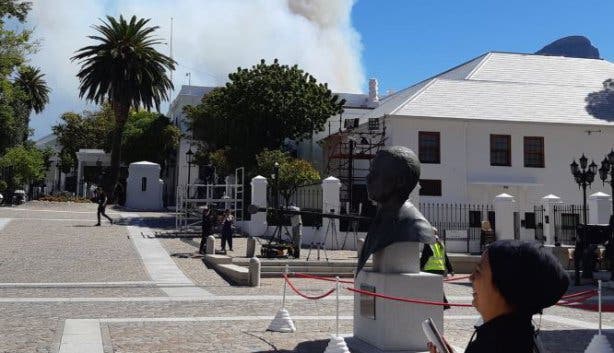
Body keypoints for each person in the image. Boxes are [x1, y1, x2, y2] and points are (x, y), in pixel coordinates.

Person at [428, 240, 569, 353]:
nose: (471, 278)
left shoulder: (495, 344)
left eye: (478, 271)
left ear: (505, 286)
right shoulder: (521, 335)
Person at [356, 146, 435, 273]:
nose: (368, 179)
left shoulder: (414, 225)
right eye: (370, 172)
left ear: (400, 181)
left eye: (375, 174)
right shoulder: (381, 220)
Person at [420, 229, 454, 310]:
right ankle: (443, 304)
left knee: (431, 287)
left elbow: (425, 257)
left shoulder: (429, 243)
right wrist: (450, 269)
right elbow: (445, 257)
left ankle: (444, 304)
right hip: (440, 269)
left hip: (431, 269)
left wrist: (419, 267)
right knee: (437, 287)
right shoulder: (440, 243)